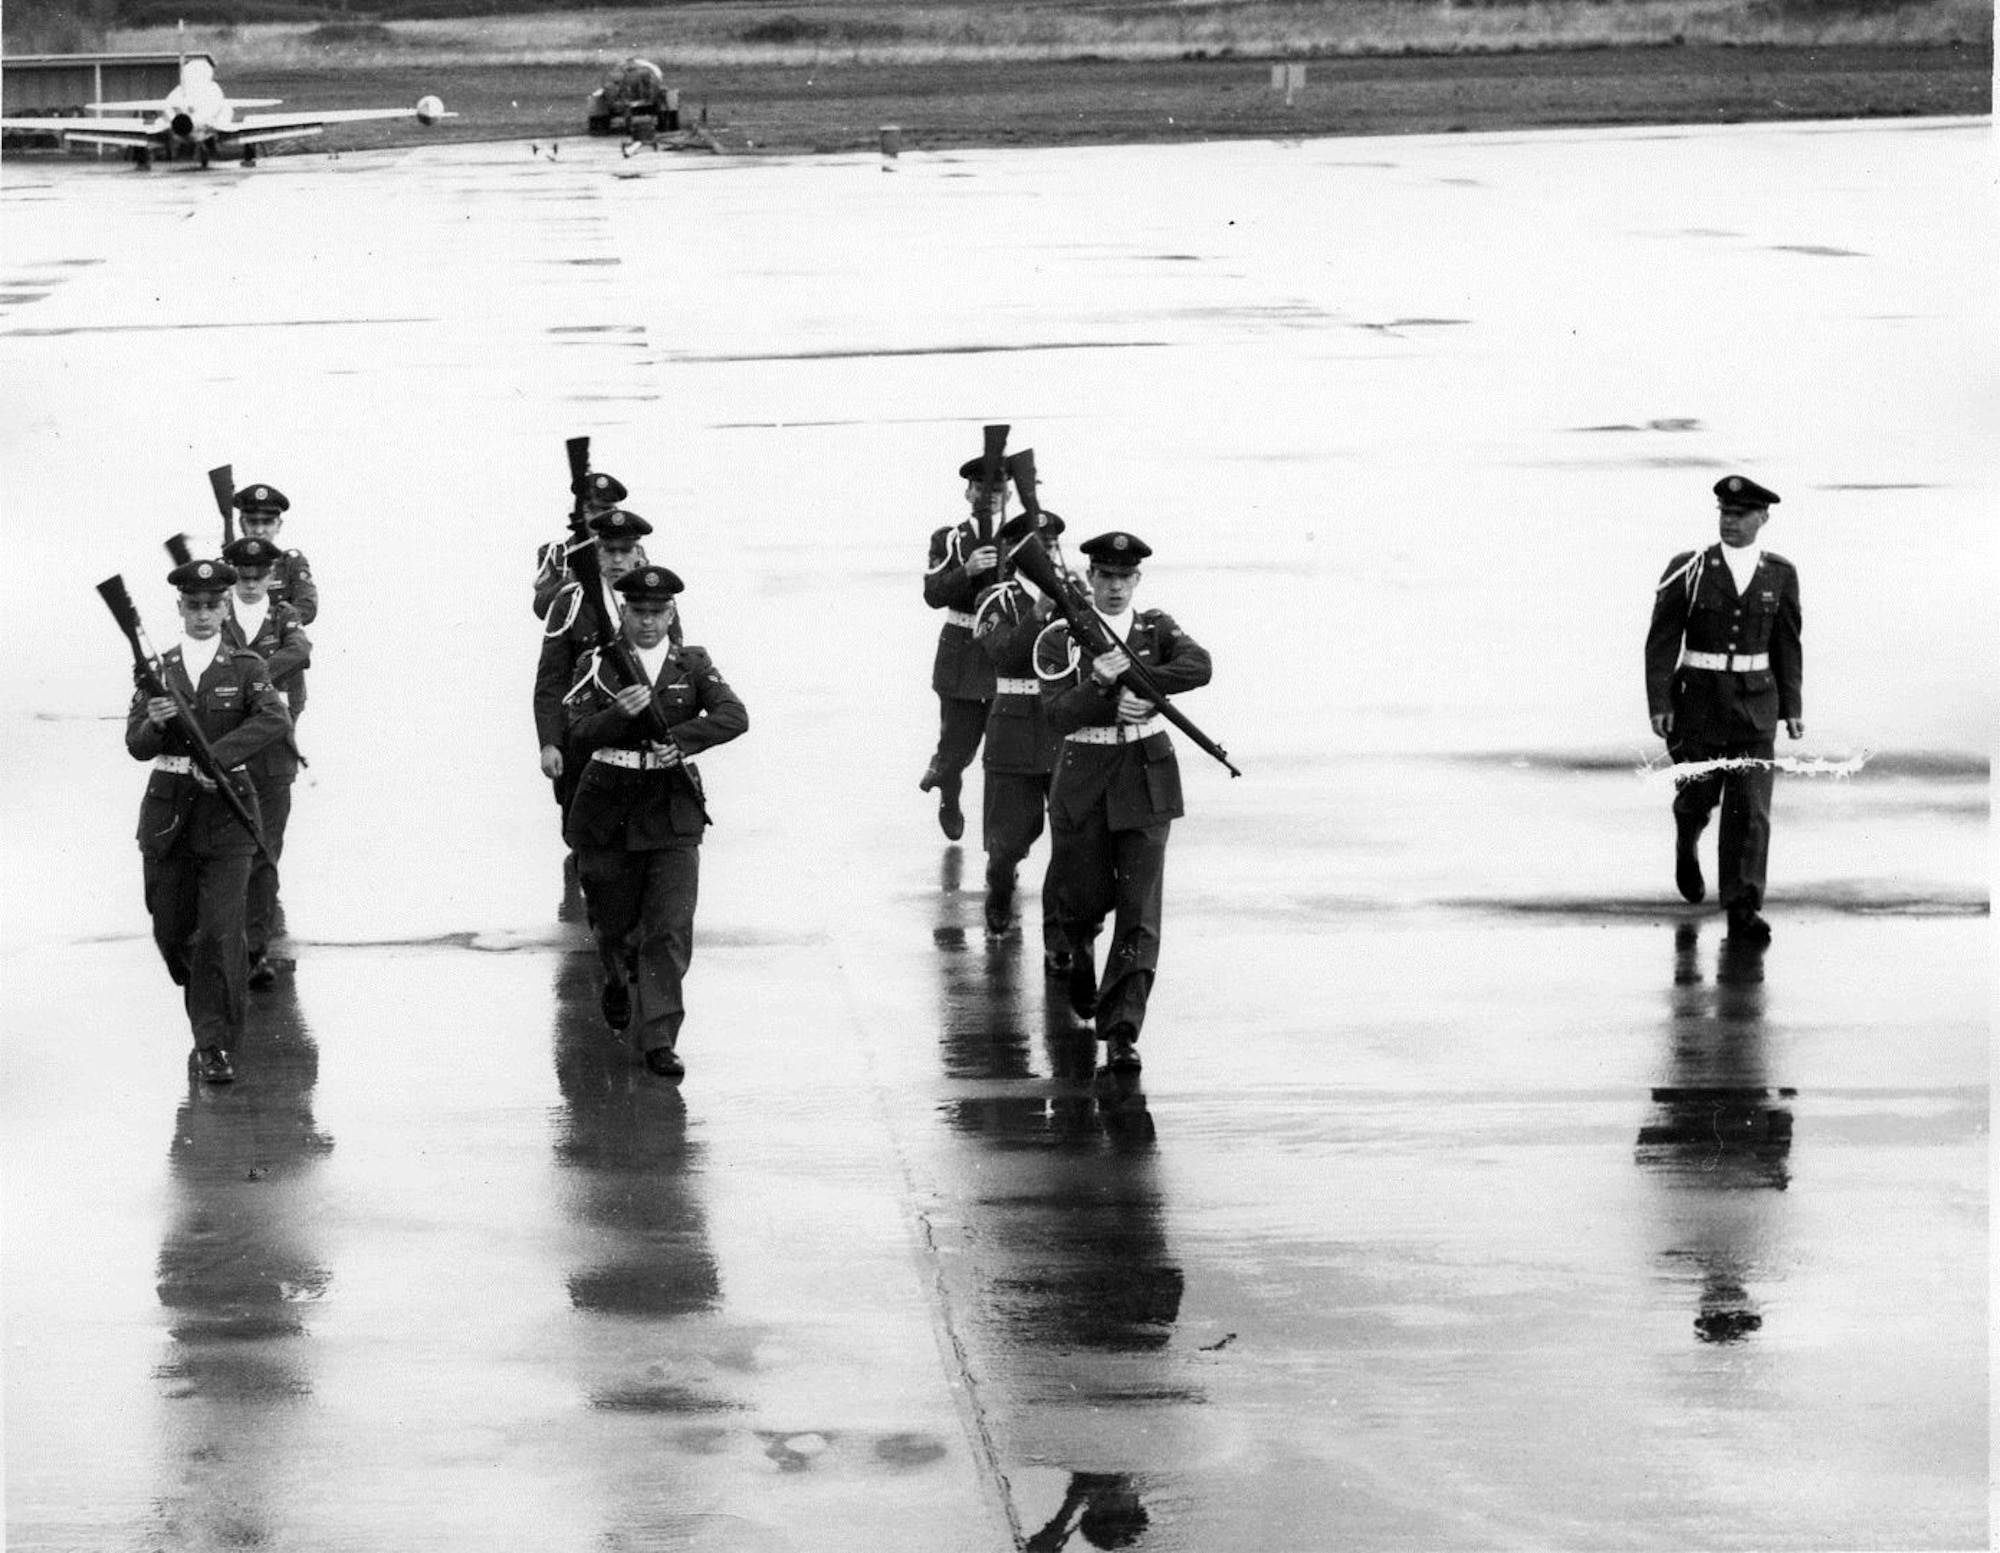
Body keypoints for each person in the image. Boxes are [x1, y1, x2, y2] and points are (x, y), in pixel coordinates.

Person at [1035, 532, 1211, 1072]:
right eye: (1105, 577)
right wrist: (1098, 684)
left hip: (1145, 776)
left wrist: (1141, 685)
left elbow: (1199, 666)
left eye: (1124, 578)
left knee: (1140, 912)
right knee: (1083, 899)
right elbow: (1059, 715)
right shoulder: (1061, 635)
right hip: (1084, 776)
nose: (1114, 587)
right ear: (1090, 578)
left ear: (1138, 580)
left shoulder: (1154, 627)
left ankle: (1122, 1030)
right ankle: (1080, 949)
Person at [563, 566, 748, 1079]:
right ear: (623, 613)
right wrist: (618, 714)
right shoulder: (598, 663)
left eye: (657, 613)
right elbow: (576, 731)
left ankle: (660, 1038)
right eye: (638, 612)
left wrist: (681, 741)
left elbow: (735, 715)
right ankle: (617, 977)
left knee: (669, 928)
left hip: (671, 810)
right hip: (609, 807)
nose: (648, 622)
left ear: (671, 615)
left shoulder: (692, 663)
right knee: (615, 925)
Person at [126, 558, 293, 1083]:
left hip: (226, 814)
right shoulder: (161, 668)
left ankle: (214, 1044)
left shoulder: (246, 667)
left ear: (225, 608)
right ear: (180, 609)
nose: (203, 614)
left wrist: (215, 757)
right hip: (168, 812)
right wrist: (151, 725)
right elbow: (135, 745)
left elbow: (273, 718)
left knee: (221, 934)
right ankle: (206, 995)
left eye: (212, 605)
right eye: (193, 606)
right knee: (171, 930)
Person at [1645, 474, 1804, 944]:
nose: (1730, 523)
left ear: (1763, 518)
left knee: (1751, 811)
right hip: (1698, 705)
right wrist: (1660, 703)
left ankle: (1742, 907)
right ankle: (1687, 837)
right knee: (1699, 797)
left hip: (1757, 706)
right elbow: (1662, 639)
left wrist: (1792, 705)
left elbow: (1788, 643)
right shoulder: (1689, 569)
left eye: (1739, 516)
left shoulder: (1780, 573)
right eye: (1724, 514)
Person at [971, 520, 1072, 969]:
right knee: (1007, 840)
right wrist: (1041, 611)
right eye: (1036, 547)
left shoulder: (1076, 595)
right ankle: (999, 892)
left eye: (1050, 545)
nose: (1046, 553)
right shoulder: (997, 599)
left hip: (1063, 727)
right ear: (1015, 552)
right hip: (1013, 730)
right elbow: (1006, 655)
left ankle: (1060, 936)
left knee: (1071, 843)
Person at [220, 536, 312, 986]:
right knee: (227, 855)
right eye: (244, 576)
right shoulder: (218, 613)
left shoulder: (283, 614)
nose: (252, 583)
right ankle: (228, 943)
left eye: (260, 576)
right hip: (228, 748)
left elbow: (300, 651)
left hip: (274, 754)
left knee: (265, 852)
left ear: (273, 576)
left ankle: (256, 952)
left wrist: (251, 675)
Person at [534, 508, 659, 809]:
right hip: (584, 736)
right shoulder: (570, 603)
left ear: (637, 553)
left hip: (640, 739)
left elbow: (669, 670)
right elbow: (551, 680)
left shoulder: (657, 604)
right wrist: (550, 743)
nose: (617, 560)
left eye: (625, 550)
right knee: (582, 831)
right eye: (608, 550)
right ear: (596, 553)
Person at [921, 455, 1010, 840]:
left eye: (996, 490)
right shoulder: (950, 539)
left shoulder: (1021, 537)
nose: (988, 497)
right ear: (967, 491)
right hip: (962, 653)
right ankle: (948, 791)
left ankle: (1000, 835)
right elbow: (933, 594)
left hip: (1005, 654)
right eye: (980, 489)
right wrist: (967, 570)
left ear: (1007, 494)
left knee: (1004, 754)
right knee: (956, 750)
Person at [535, 470, 629, 620]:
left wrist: (676, 643)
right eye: (591, 510)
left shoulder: (629, 551)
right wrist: (571, 580)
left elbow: (659, 596)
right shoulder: (555, 552)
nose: (599, 518)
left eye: (606, 510)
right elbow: (541, 609)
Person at [232, 484, 316, 625]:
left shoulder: (291, 563)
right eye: (253, 522)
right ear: (242, 524)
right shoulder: (227, 566)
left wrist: (272, 624)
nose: (259, 530)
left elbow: (307, 607)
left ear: (279, 525)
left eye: (267, 522)